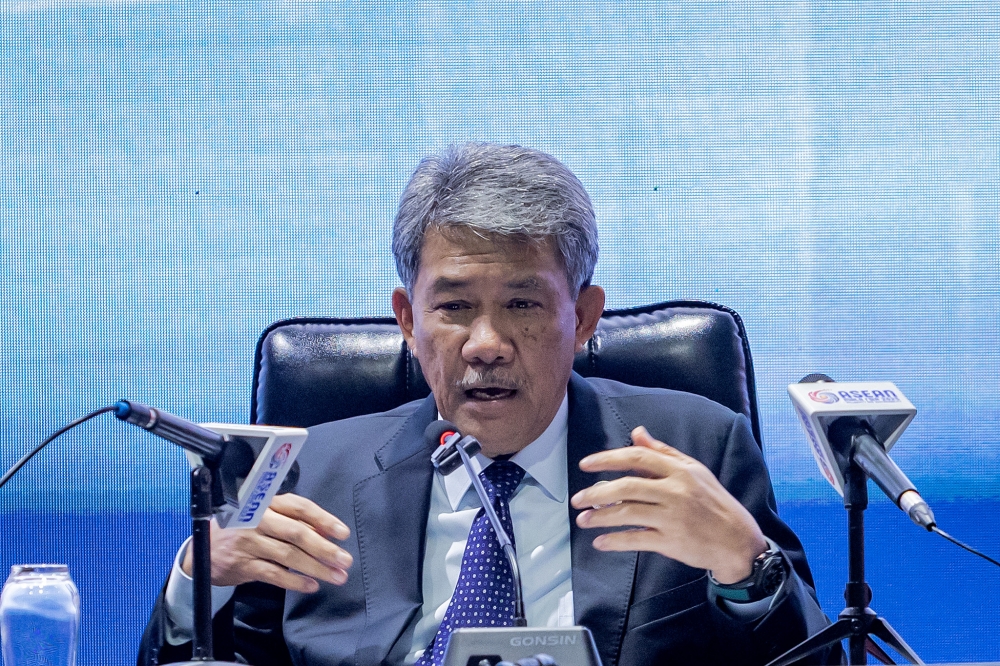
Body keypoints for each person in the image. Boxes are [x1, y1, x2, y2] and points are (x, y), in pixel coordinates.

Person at [139, 143, 837, 666]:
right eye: (454, 308)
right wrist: (197, 583)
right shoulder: (309, 474)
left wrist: (747, 564)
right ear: (408, 320)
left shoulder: (696, 448)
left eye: (522, 305)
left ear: (583, 318)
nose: (486, 344)